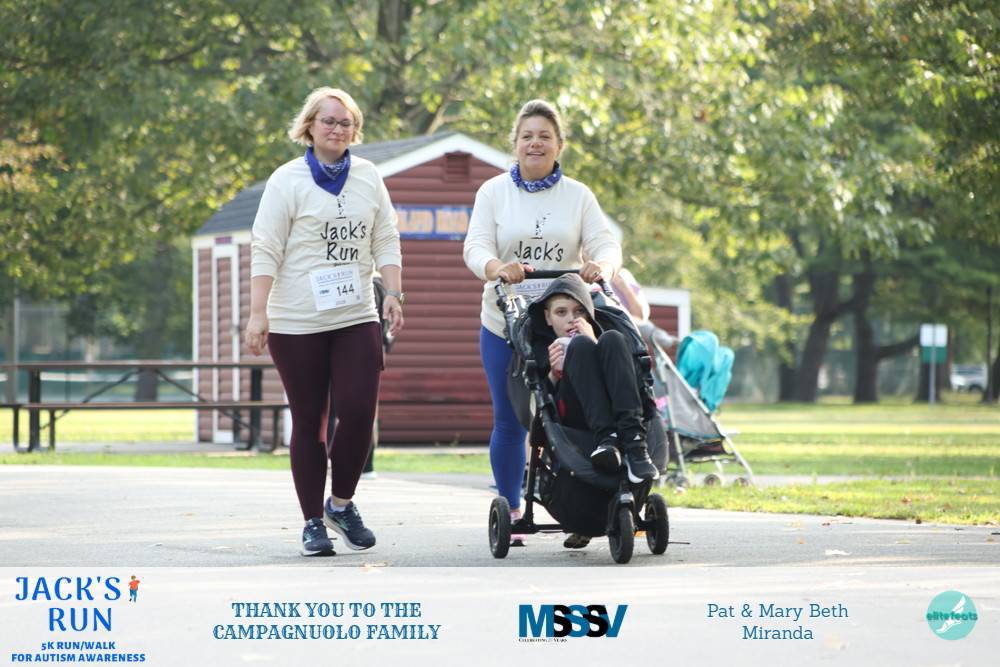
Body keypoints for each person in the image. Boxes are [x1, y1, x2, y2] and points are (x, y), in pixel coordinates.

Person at [245, 87, 404, 557]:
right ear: (309, 127)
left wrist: (394, 292)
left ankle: (341, 504)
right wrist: (258, 312)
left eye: (346, 122)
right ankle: (312, 523)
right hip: (296, 320)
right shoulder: (287, 180)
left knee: (358, 411)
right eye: (328, 121)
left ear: (355, 130)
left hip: (356, 313)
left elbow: (385, 236)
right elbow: (266, 246)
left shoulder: (368, 176)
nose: (337, 129)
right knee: (310, 419)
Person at [463, 99, 622, 546]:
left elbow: (606, 243)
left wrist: (603, 267)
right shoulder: (493, 192)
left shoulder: (578, 195)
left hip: (563, 324)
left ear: (559, 145)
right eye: (527, 136)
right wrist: (496, 266)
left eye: (545, 136)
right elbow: (475, 246)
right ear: (514, 144)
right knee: (511, 420)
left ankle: (582, 505)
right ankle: (513, 509)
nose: (535, 143)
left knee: (574, 413)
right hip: (505, 323)